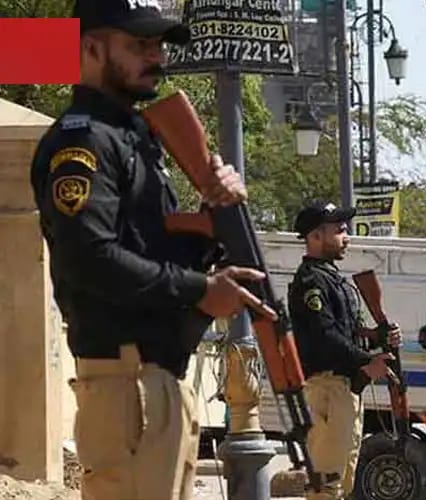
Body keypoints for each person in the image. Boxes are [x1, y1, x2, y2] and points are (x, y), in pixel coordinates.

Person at [29, 1, 277, 499]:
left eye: (159, 45)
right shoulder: (84, 142)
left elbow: (152, 250)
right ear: (90, 48)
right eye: (139, 44)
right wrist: (200, 289)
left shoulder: (134, 139)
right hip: (127, 388)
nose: (156, 56)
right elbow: (88, 258)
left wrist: (216, 215)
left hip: (155, 384)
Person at [287, 200, 402, 499]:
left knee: (343, 481)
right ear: (315, 236)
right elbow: (324, 336)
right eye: (339, 230)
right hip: (327, 388)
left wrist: (378, 337)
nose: (346, 236)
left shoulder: (331, 278)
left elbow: (348, 333)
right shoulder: (310, 282)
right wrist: (366, 361)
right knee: (327, 484)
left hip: (343, 389)